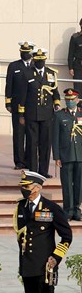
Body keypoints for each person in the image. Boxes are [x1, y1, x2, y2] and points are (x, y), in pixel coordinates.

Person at [15, 171, 73, 293]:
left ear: (37, 187)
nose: (24, 190)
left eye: (27, 187)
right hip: (28, 266)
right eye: (23, 187)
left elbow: (67, 236)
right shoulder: (21, 207)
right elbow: (22, 236)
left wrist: (55, 258)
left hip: (45, 267)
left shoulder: (51, 208)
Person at [16, 48, 60, 177]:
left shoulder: (51, 74)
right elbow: (22, 95)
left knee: (45, 144)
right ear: (34, 60)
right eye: (37, 60)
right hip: (31, 114)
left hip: (46, 114)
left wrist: (57, 104)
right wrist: (21, 114)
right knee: (32, 143)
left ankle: (43, 171)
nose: (39, 63)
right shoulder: (27, 73)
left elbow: (55, 93)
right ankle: (33, 170)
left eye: (42, 60)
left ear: (44, 60)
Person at [52, 89, 82, 221]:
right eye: (67, 100)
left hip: (80, 155)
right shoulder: (59, 115)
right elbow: (55, 138)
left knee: (79, 184)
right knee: (67, 184)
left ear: (77, 100)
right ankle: (68, 210)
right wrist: (57, 157)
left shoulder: (81, 114)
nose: (70, 102)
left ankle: (77, 209)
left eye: (72, 99)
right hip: (66, 154)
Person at [6, 41, 33, 170]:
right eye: (22, 51)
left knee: (31, 134)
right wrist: (8, 102)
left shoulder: (35, 65)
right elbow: (9, 84)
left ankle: (30, 159)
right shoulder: (13, 66)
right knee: (18, 134)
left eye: (27, 52)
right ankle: (19, 161)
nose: (24, 54)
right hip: (17, 105)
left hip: (32, 107)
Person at [69, 18, 82, 91]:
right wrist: (70, 68)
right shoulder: (75, 37)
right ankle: (79, 103)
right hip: (78, 67)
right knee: (78, 89)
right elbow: (70, 53)